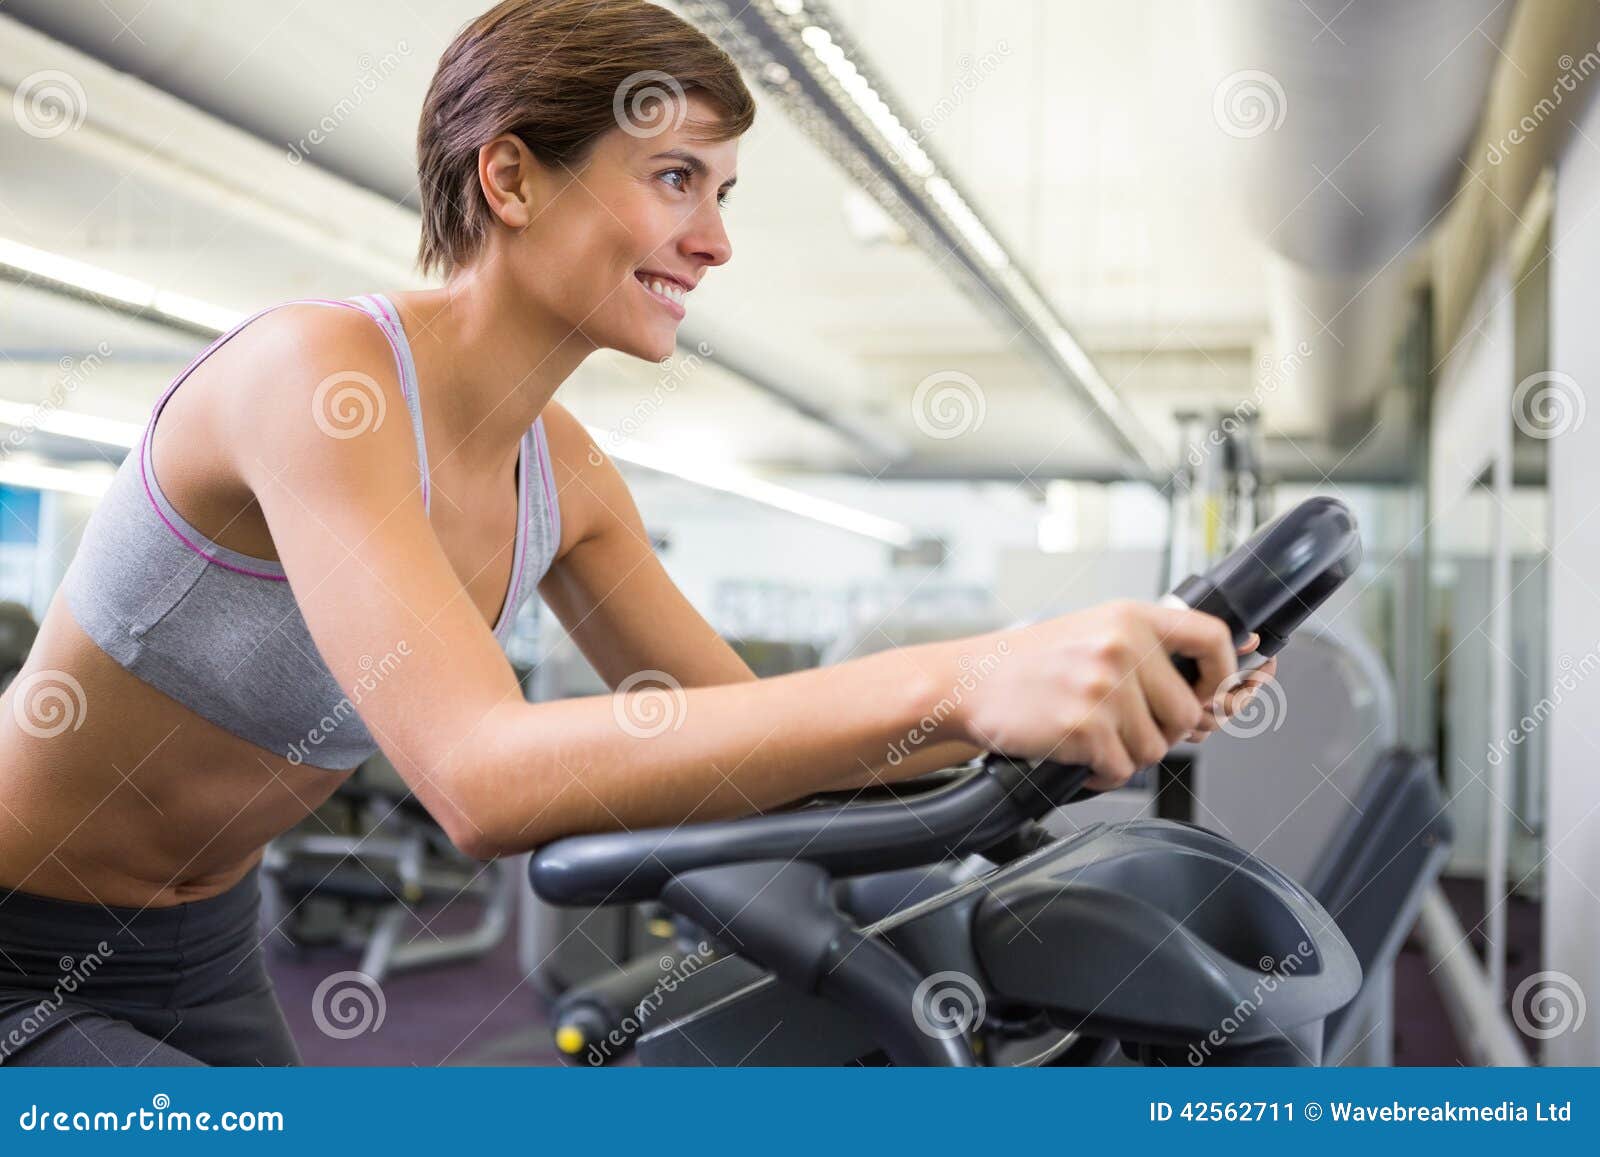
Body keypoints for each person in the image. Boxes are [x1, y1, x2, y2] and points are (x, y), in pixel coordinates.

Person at [0, 0, 1271, 1067]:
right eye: (674, 180)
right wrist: (965, 676)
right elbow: (479, 778)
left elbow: (744, 736)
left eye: (721, 192)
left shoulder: (566, 473)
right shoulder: (315, 379)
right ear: (508, 176)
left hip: (203, 938)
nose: (715, 240)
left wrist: (1080, 690)